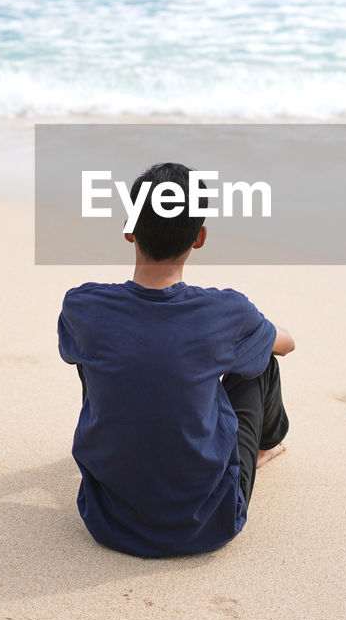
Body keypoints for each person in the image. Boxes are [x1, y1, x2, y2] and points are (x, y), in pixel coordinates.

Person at [57, 161, 294, 558]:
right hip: (210, 522)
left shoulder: (83, 306)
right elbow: (285, 344)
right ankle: (266, 446)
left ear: (129, 229)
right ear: (199, 238)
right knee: (260, 357)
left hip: (106, 519)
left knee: (101, 348)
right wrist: (255, 330)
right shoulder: (226, 311)